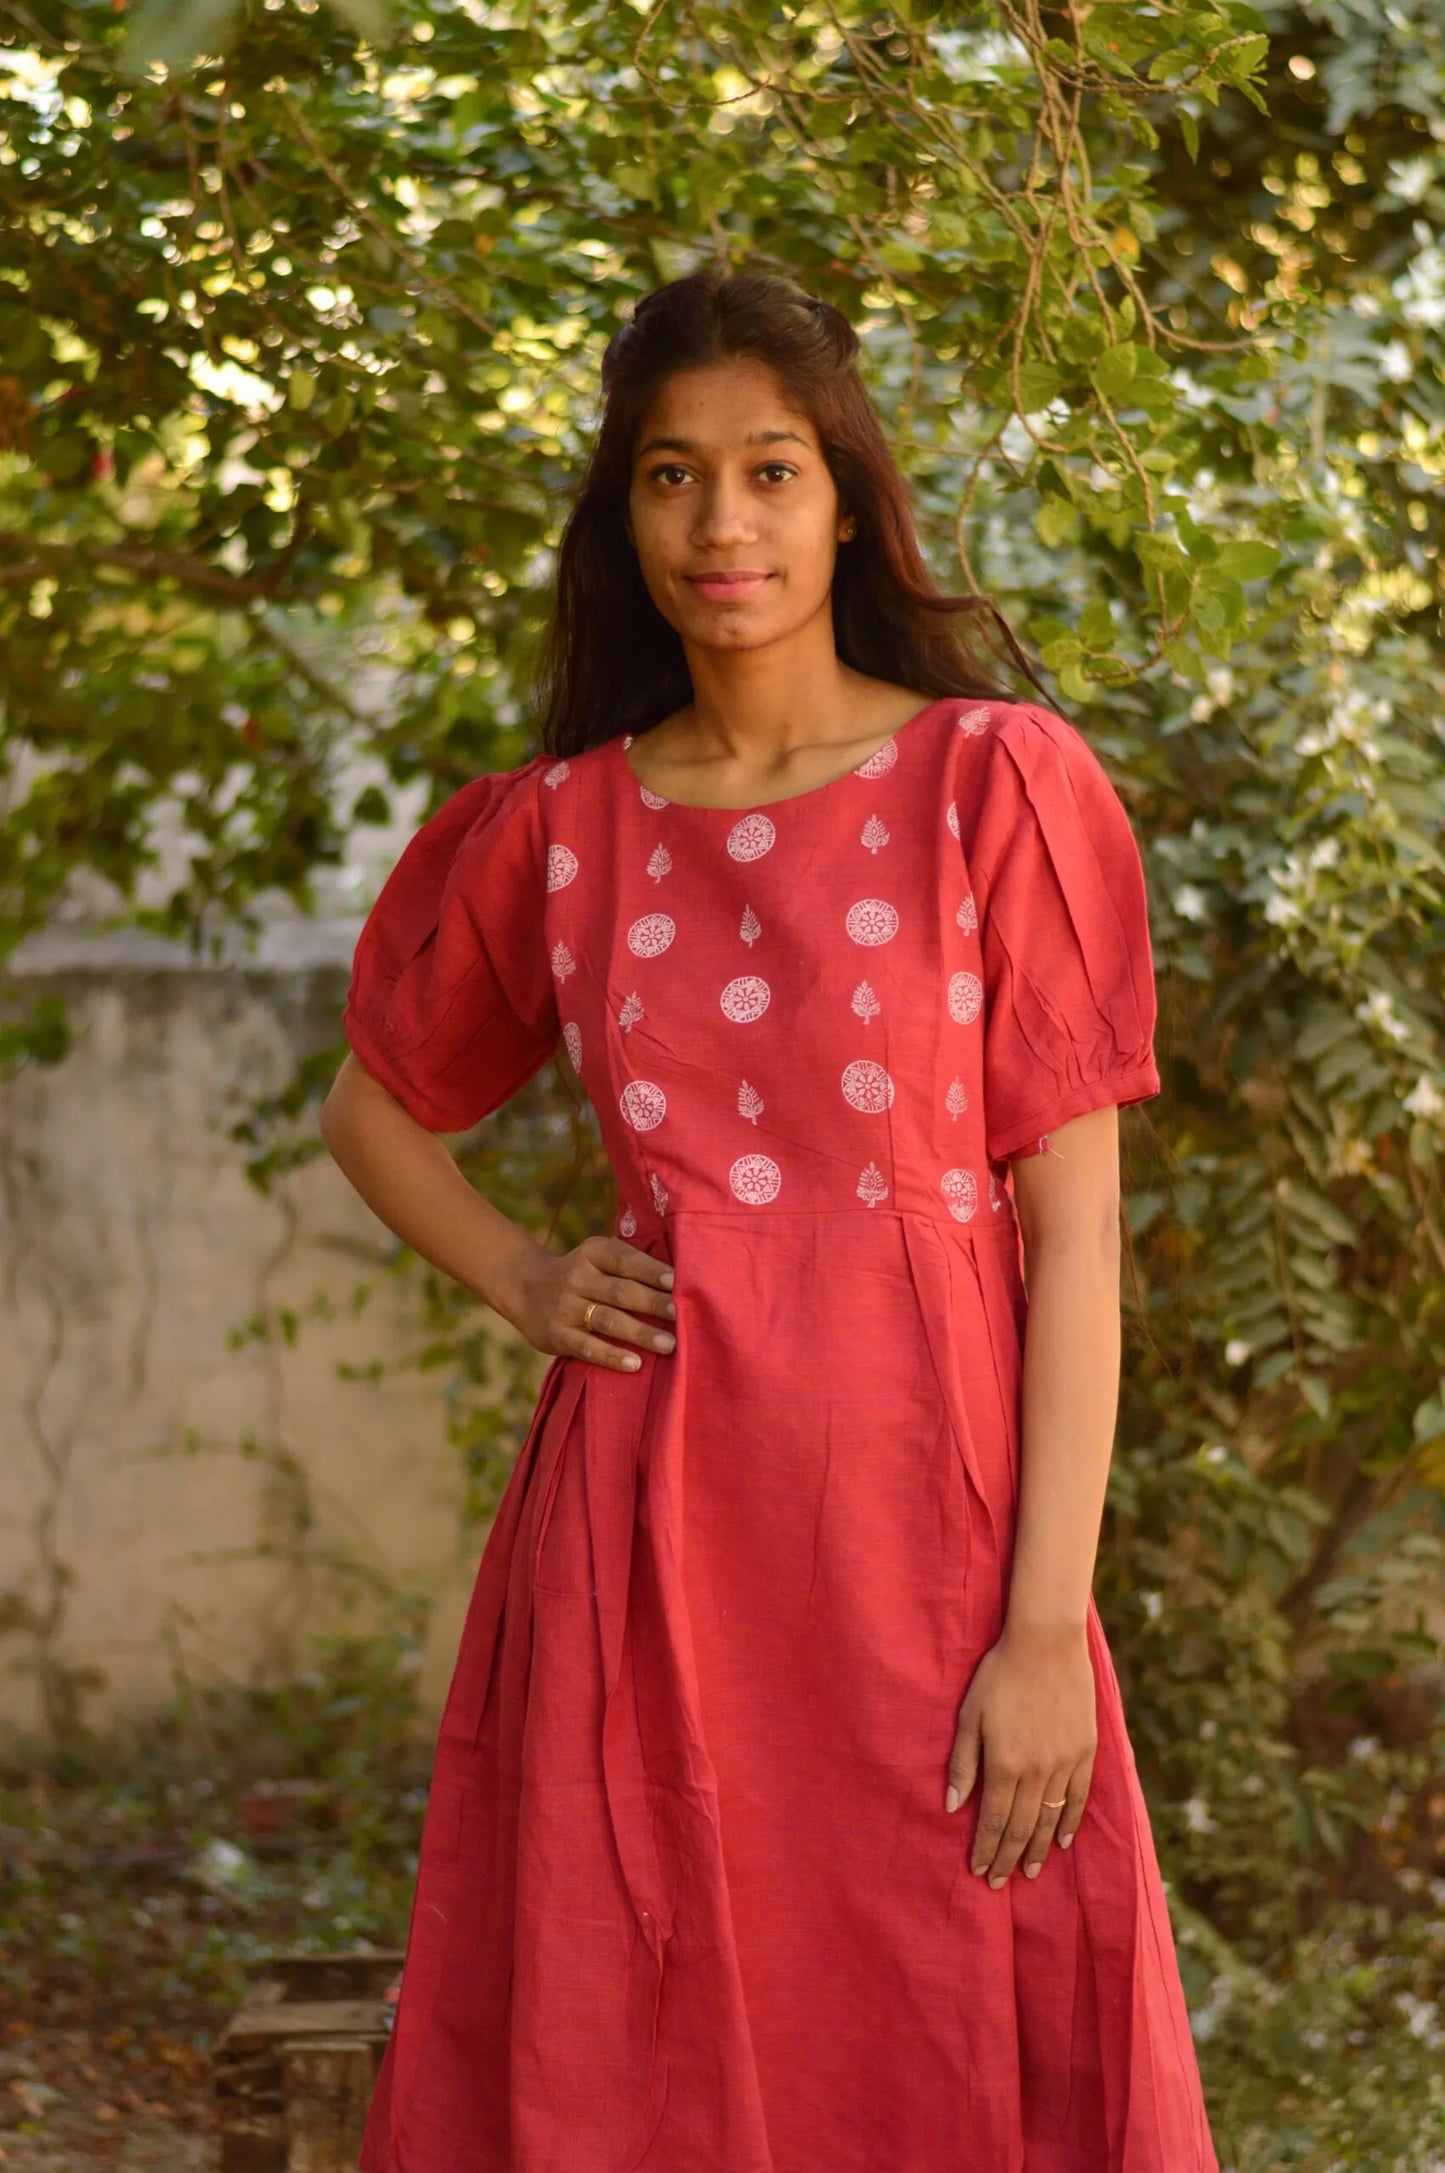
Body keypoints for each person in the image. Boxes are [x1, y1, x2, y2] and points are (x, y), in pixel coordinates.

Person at [321, 267, 1218, 2173]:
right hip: (647, 1545)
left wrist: (1045, 1621)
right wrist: (520, 1271)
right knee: (631, 2025)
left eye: (769, 471)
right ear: (622, 514)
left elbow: (1077, 1244)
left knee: (949, 2011)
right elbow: (375, 1105)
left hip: (934, 1543)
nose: (720, 523)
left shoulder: (996, 786)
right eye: (669, 476)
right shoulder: (560, 827)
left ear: (844, 497)